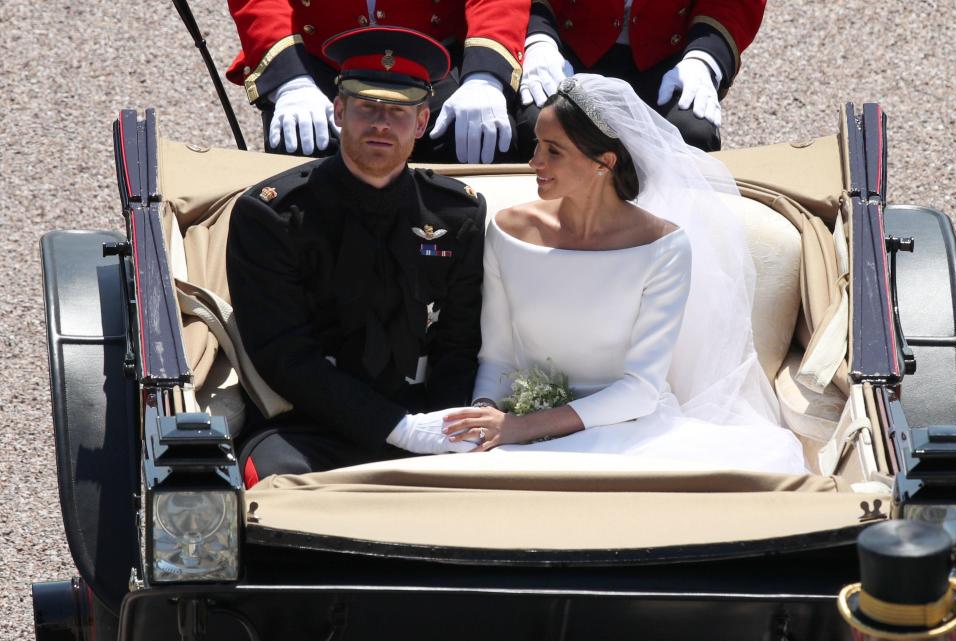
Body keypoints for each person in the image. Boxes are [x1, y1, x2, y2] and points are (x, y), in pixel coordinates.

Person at [441, 73, 806, 475]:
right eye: (536, 146)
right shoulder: (508, 231)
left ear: (605, 162)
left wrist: (523, 428)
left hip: (628, 434)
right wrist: (484, 416)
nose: (534, 162)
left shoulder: (664, 248)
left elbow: (640, 390)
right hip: (518, 430)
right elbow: (496, 355)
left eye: (554, 151)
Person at [226, 27, 487, 486]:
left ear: (422, 123)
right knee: (274, 492)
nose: (382, 123)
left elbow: (459, 342)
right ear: (340, 110)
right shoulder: (273, 214)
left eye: (399, 111)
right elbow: (283, 353)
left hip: (427, 413)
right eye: (367, 107)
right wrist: (396, 428)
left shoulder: (457, 211)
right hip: (311, 423)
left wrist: (444, 426)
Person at [225, 0, 530, 163]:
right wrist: (291, 82)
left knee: (483, 141)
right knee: (302, 149)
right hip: (322, 58)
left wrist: (485, 77)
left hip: (430, 57)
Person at [515, 1, 766, 153]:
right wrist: (538, 38)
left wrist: (704, 58)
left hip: (669, 53)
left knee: (691, 134)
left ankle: (668, 237)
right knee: (538, 127)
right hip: (566, 44)